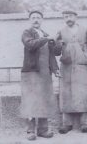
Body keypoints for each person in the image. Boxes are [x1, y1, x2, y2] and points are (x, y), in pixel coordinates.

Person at [54, 10, 87, 134]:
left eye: (70, 16)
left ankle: (85, 123)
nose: (68, 18)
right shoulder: (60, 32)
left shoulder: (85, 30)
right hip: (66, 67)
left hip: (82, 67)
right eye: (65, 16)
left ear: (76, 17)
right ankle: (66, 124)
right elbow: (55, 52)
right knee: (66, 94)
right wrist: (58, 44)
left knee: (84, 93)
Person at [21, 10, 59, 141]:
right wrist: (47, 39)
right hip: (31, 72)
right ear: (30, 20)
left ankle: (43, 130)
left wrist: (55, 69)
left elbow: (52, 55)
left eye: (38, 17)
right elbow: (30, 45)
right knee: (31, 100)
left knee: (44, 100)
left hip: (45, 74)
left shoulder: (46, 35)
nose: (36, 19)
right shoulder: (27, 33)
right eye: (33, 17)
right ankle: (30, 131)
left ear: (42, 20)